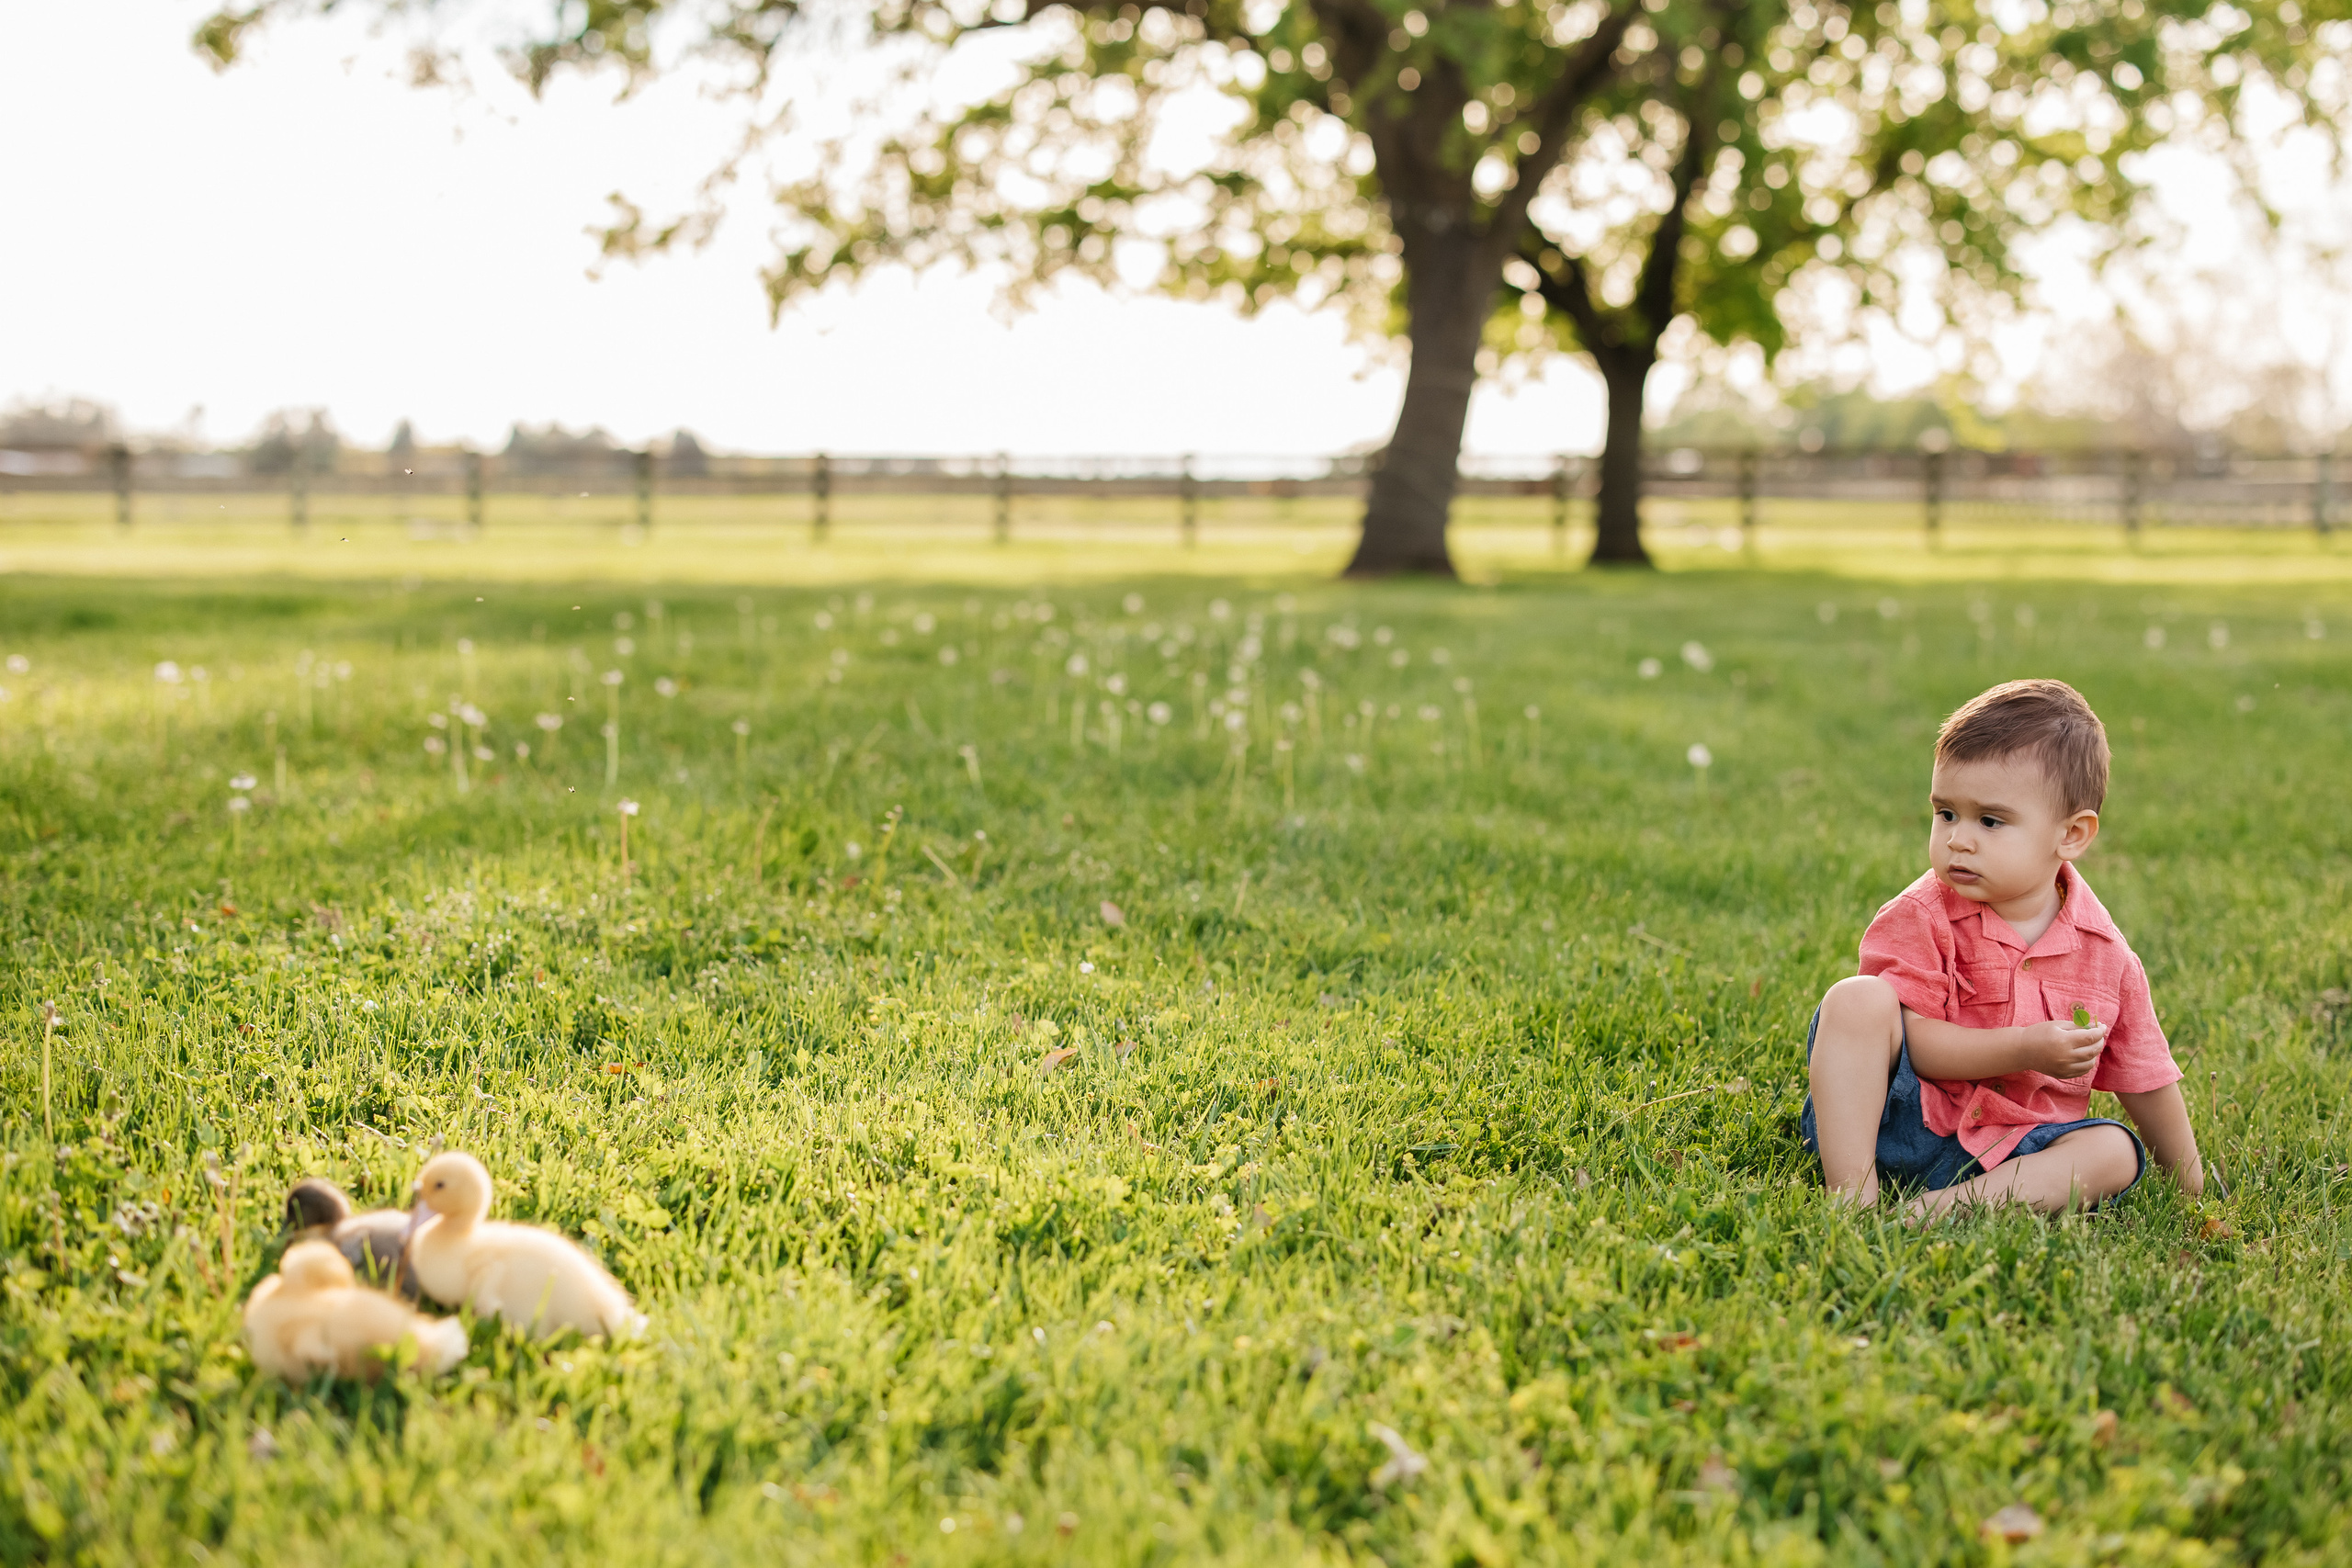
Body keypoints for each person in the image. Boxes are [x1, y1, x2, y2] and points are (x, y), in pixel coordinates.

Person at [1804, 679, 2204, 1223]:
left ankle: (1951, 1207)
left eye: (1990, 821)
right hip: (1905, 1123)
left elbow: (2145, 1077)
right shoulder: (1921, 914)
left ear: (2072, 835)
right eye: (1945, 813)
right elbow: (1917, 1046)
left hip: (2021, 1150)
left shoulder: (2107, 956)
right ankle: (1851, 1194)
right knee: (1856, 1000)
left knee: (2114, 1151)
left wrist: (2192, 1186)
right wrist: (2023, 1048)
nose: (1958, 839)